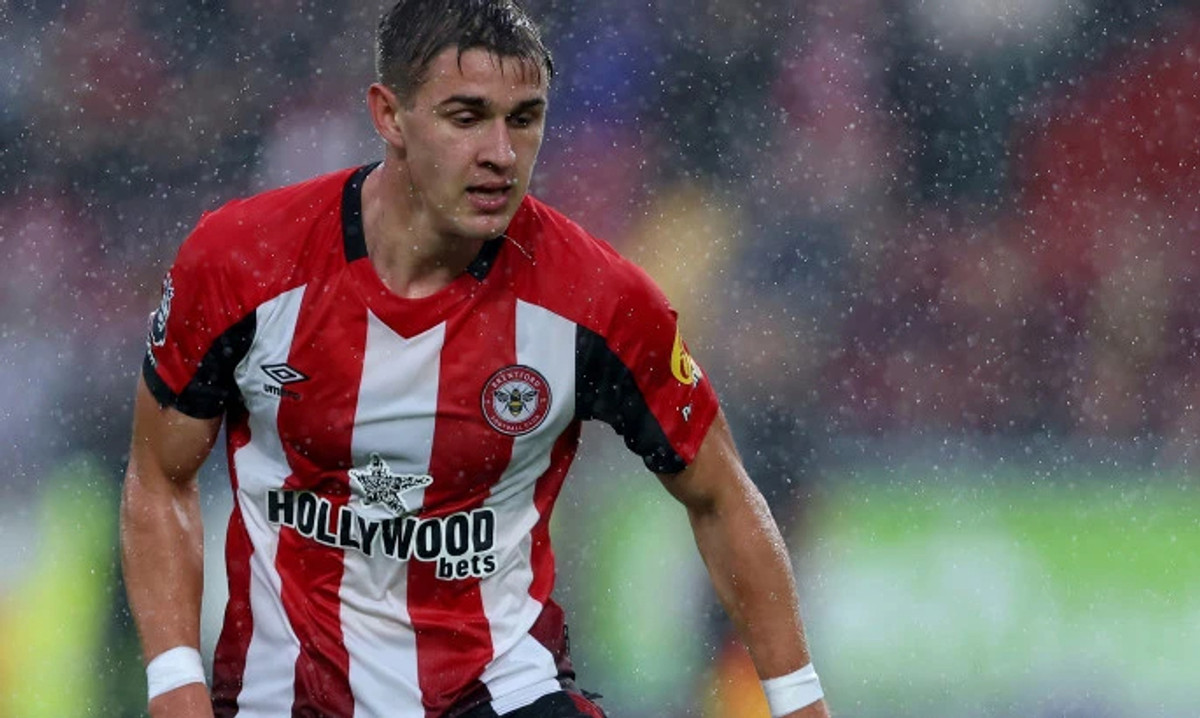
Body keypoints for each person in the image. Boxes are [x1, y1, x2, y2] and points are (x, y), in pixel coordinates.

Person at [119, 2, 831, 717]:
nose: (501, 152)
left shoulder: (597, 299)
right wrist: (175, 679)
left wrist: (800, 703)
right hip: (283, 701)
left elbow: (720, 494)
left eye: (524, 119)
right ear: (389, 116)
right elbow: (159, 476)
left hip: (502, 695)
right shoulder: (243, 262)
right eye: (466, 117)